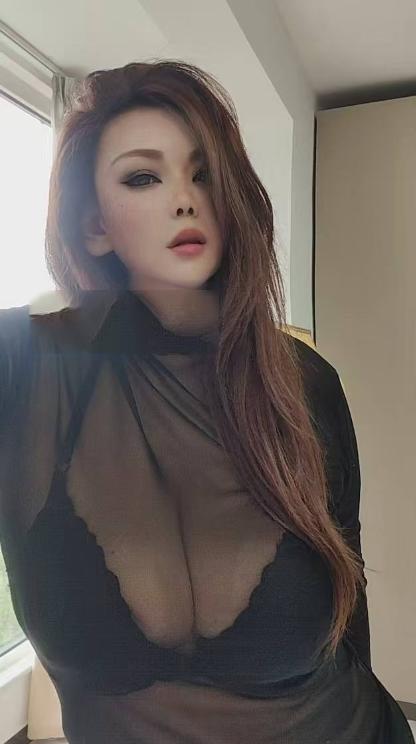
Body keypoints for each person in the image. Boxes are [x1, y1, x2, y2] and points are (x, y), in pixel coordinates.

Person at [0, 60, 413, 743]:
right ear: (95, 225)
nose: (185, 200)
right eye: (143, 177)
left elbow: (350, 618)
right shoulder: (28, 367)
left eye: (204, 174)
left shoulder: (304, 382)